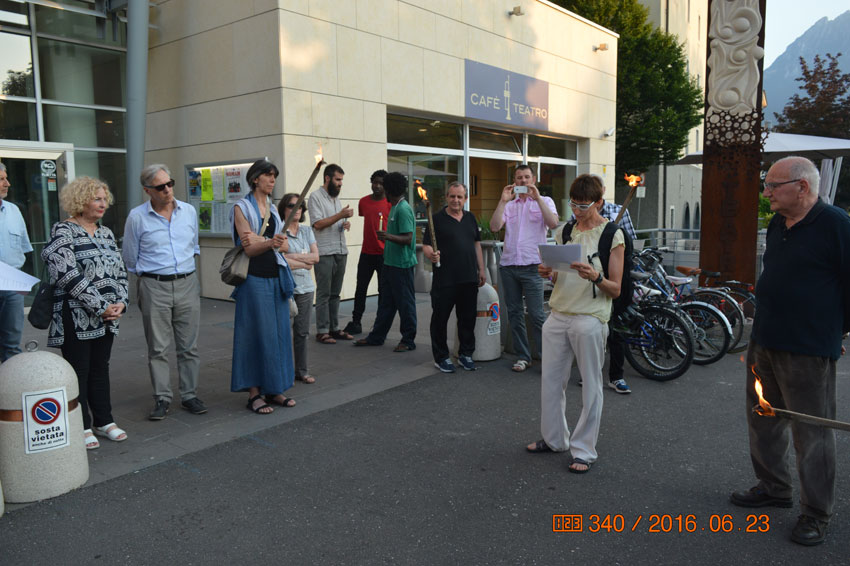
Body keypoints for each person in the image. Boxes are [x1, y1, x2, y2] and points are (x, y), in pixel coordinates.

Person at [730, 156, 850, 546]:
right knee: (763, 418)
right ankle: (774, 487)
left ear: (802, 186)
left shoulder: (836, 225)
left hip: (808, 348)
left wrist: (835, 333)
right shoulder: (778, 223)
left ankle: (816, 513)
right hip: (766, 339)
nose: (766, 193)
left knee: (811, 432)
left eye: (773, 186)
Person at [526, 174, 624, 474]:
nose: (577, 211)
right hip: (558, 313)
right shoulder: (565, 230)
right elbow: (558, 276)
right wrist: (548, 272)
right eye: (573, 204)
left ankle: (584, 450)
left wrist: (595, 276)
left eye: (583, 206)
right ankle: (554, 439)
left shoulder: (612, 235)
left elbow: (616, 289)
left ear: (599, 203)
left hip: (590, 317)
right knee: (551, 382)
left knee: (591, 385)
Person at [42, 177, 128, 450]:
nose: (103, 204)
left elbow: (120, 271)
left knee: (100, 369)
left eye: (105, 199)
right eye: (97, 199)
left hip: (108, 316)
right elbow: (66, 274)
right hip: (75, 315)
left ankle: (104, 421)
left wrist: (121, 302)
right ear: (81, 201)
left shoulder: (106, 233)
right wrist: (100, 305)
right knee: (79, 371)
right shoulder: (63, 230)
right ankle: (82, 425)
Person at [123, 164, 206, 420]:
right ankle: (162, 397)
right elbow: (130, 257)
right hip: (154, 285)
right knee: (158, 348)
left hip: (186, 283)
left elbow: (194, 246)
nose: (168, 190)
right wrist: (151, 277)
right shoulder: (137, 217)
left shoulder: (188, 211)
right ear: (148, 190)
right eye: (161, 187)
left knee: (189, 346)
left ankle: (189, 395)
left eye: (170, 184)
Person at [230, 159, 297, 414]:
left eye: (274, 176)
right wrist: (269, 242)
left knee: (278, 335)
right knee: (254, 335)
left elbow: (286, 245)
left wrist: (265, 241)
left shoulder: (274, 209)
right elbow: (249, 247)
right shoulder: (241, 207)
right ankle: (254, 394)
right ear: (255, 178)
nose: (272, 180)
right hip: (253, 279)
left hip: (276, 276)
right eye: (268, 175)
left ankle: (274, 388)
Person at [489, 164, 559, 372]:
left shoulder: (545, 201)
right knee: (515, 313)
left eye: (527, 177)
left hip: (533, 266)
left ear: (534, 179)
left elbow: (553, 224)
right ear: (514, 181)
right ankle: (523, 356)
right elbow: (494, 227)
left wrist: (538, 199)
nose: (523, 181)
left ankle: (547, 358)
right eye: (519, 177)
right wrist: (502, 201)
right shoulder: (509, 205)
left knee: (537, 315)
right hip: (509, 265)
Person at [423, 182, 486, 372]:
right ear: (446, 197)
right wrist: (431, 255)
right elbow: (426, 245)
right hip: (445, 278)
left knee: (467, 319)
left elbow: (476, 244)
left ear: (465, 199)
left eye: (459, 197)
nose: (455, 200)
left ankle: (466, 354)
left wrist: (481, 269)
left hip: (468, 277)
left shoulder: (470, 218)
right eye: (452, 196)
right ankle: (441, 357)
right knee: (440, 319)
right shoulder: (436, 219)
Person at [354, 171, 417, 352]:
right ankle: (377, 336)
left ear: (389, 189)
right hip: (390, 263)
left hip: (402, 265)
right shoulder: (395, 207)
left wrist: (387, 236)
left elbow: (408, 238)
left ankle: (408, 340)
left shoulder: (403, 209)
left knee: (405, 304)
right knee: (386, 304)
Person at [594, 180, 637, 395]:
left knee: (617, 329)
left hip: (618, 275)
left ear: (602, 192)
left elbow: (630, 241)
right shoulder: (581, 216)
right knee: (595, 330)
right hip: (594, 279)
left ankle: (616, 377)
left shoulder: (617, 211)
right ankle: (590, 373)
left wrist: (613, 235)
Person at [308, 163, 353, 344]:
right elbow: (318, 224)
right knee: (324, 293)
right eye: (338, 179)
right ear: (327, 178)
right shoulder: (315, 197)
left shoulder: (336, 199)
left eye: (341, 180)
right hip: (325, 251)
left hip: (340, 250)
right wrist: (340, 216)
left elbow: (333, 222)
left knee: (335, 294)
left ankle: (334, 328)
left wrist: (344, 224)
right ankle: (322, 330)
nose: (340, 183)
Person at [343, 170, 390, 336]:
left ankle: (379, 325)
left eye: (381, 183)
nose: (377, 186)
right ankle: (356, 322)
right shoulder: (363, 202)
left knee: (383, 291)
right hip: (366, 252)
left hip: (384, 254)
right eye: (374, 182)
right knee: (360, 288)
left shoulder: (390, 204)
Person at [280, 192, 319, 384]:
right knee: (284, 333)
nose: (297, 209)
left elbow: (316, 257)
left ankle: (302, 371)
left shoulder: (306, 231)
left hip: (306, 288)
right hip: (286, 288)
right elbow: (280, 260)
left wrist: (293, 257)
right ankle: (285, 372)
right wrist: (304, 261)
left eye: (300, 205)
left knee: (302, 332)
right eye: (291, 205)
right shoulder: (280, 231)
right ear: (284, 209)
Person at [0, 162, 33, 362]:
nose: (7, 184)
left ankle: (9, 380)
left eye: (6, 178)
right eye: (1, 179)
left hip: (12, 281)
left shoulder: (14, 210)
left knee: (12, 345)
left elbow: (23, 248)